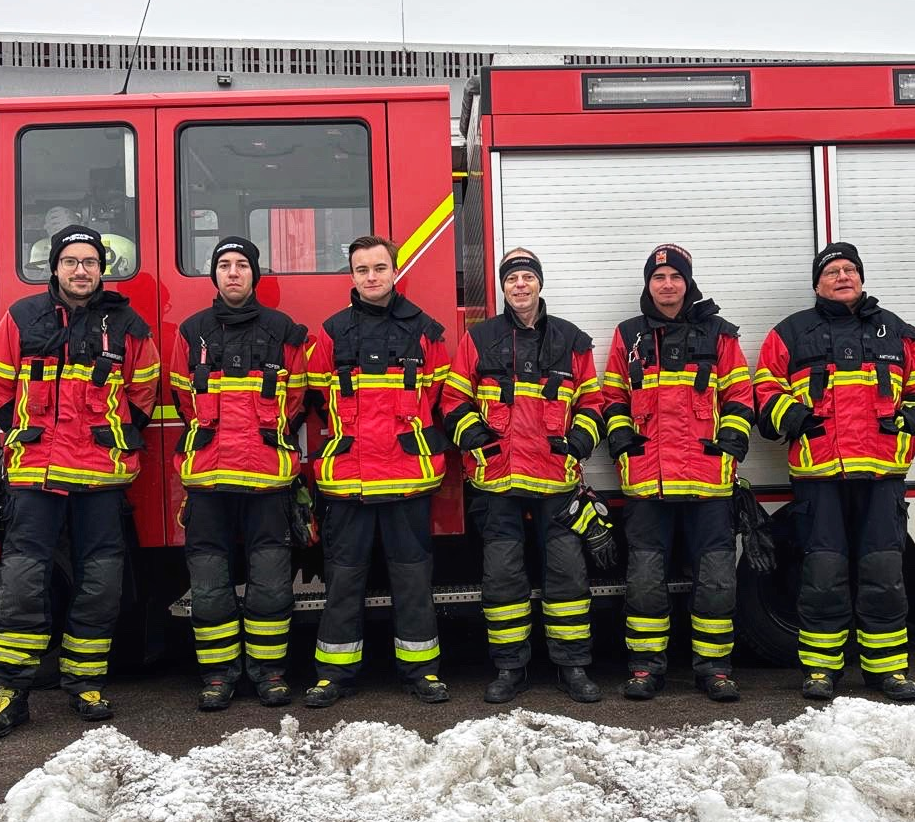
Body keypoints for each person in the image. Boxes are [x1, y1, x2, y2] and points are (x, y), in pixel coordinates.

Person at [0, 225, 160, 739]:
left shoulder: (128, 325)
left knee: (100, 584)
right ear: (54, 267)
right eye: (71, 261)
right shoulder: (21, 318)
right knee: (22, 584)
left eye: (90, 262)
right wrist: (27, 433)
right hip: (36, 474)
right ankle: (9, 693)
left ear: (102, 269)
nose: (81, 270)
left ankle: (85, 683)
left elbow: (144, 390)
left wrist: (116, 436)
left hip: (101, 476)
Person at [754, 242, 915, 704]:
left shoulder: (898, 332)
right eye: (832, 271)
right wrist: (793, 417)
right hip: (819, 478)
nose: (843, 277)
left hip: (882, 476)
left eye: (849, 270)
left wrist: (912, 417)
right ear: (817, 284)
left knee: (884, 575)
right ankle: (821, 669)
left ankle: (888, 671)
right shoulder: (790, 333)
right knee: (822, 576)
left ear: (860, 278)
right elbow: (764, 388)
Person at [443, 247, 604, 704]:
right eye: (511, 278)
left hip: (556, 482)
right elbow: (453, 400)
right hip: (498, 482)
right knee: (502, 579)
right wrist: (481, 442)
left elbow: (593, 403)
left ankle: (573, 667)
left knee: (568, 577)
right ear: (503, 287)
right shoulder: (480, 338)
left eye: (527, 277)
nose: (520, 285)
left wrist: (578, 443)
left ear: (539, 283)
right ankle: (510, 668)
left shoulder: (572, 340)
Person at [303, 234, 452, 707]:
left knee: (413, 582)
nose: (372, 277)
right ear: (352, 275)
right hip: (349, 481)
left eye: (380, 268)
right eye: (362, 269)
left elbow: (440, 396)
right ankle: (334, 675)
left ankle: (422, 672)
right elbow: (313, 396)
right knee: (343, 582)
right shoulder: (331, 333)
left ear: (395, 271)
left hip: (408, 479)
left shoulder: (426, 332)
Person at [602, 244, 754, 702]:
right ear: (648, 285)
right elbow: (612, 396)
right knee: (645, 581)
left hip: (708, 481)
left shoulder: (719, 334)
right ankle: (645, 668)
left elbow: (739, 396)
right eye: (658, 277)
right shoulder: (628, 335)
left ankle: (715, 670)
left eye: (675, 277)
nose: (667, 285)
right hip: (647, 480)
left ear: (688, 283)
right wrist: (622, 441)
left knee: (717, 580)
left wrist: (730, 446)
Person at [168, 235, 309, 712]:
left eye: (242, 265)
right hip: (208, 481)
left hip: (268, 480)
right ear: (214, 274)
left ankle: (270, 674)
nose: (233, 272)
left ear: (254, 274)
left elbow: (298, 398)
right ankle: (217, 676)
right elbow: (181, 397)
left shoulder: (283, 330)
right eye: (224, 265)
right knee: (209, 586)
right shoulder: (191, 332)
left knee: (271, 582)